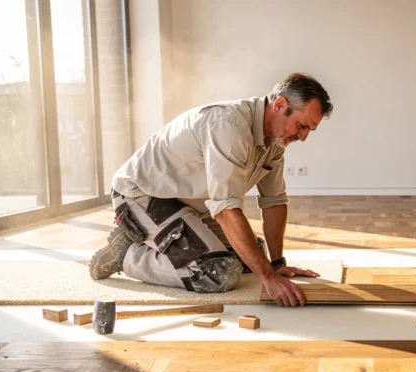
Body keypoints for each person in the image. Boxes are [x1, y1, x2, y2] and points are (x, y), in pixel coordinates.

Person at [88, 72, 333, 307]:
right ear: (280, 105)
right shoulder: (228, 127)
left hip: (187, 204)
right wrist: (269, 279)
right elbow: (226, 210)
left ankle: (154, 242)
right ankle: (125, 253)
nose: (303, 137)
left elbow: (274, 200)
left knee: (252, 255)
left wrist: (277, 264)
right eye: (301, 126)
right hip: (142, 194)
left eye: (309, 130)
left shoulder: (277, 141)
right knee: (219, 272)